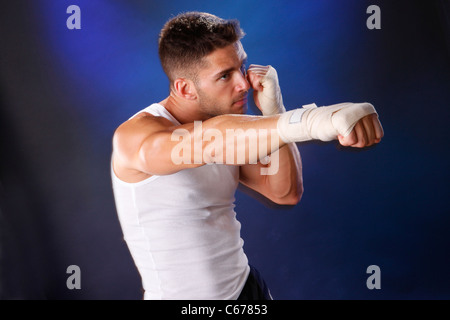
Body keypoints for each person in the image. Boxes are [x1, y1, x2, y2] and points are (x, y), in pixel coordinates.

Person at [110, 11, 383, 300]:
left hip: (248, 291)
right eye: (225, 75)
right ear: (185, 88)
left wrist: (274, 109)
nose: (242, 83)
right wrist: (312, 121)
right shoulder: (136, 137)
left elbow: (284, 192)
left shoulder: (232, 132)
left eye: (240, 67)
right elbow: (210, 141)